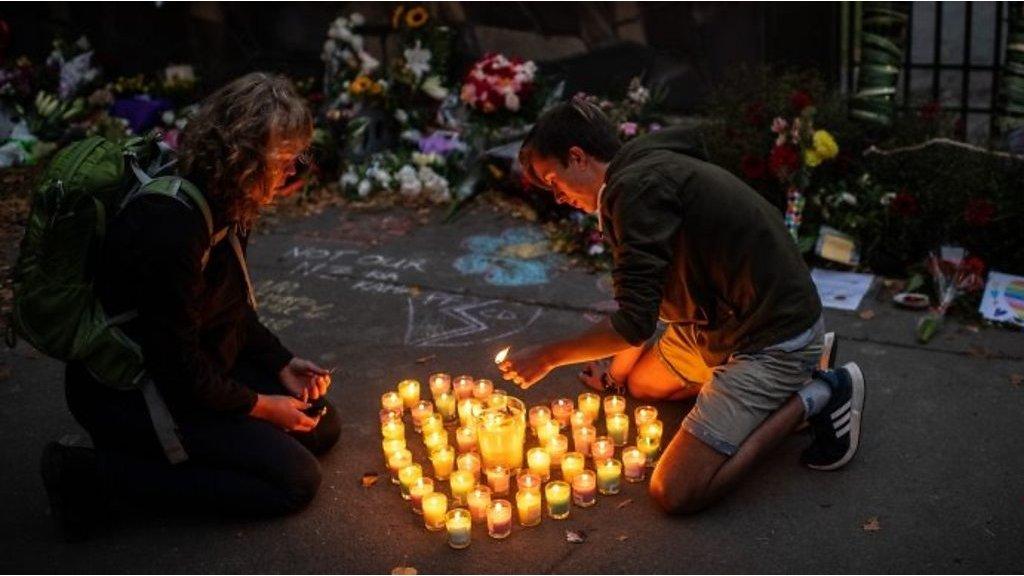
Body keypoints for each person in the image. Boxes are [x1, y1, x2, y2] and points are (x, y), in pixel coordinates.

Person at [500, 98, 866, 514]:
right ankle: (802, 361)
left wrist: (548, 356)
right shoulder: (640, 171)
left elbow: (633, 323)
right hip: (720, 323)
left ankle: (822, 390)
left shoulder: (637, 191)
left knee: (674, 491)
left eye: (554, 181)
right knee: (640, 385)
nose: (559, 198)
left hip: (767, 337)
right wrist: (614, 374)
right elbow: (644, 300)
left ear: (578, 157)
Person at [41, 72, 340, 538]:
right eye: (284, 160)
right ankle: (95, 472)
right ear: (244, 158)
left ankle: (205, 446)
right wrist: (261, 406)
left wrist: (279, 362)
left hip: (197, 360)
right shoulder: (171, 225)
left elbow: (229, 305)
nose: (293, 171)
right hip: (132, 391)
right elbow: (176, 370)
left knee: (320, 424)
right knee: (294, 481)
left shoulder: (228, 198)